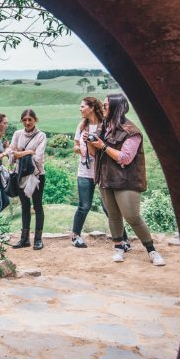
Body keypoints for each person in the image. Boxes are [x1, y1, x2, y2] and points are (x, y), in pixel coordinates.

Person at [87, 93, 166, 266]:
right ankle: (119, 247)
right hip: (106, 178)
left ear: (116, 107)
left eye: (106, 105)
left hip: (126, 180)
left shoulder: (131, 131)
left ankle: (152, 250)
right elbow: (94, 155)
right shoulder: (103, 126)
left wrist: (103, 146)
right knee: (113, 216)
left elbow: (125, 158)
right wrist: (89, 142)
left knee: (132, 217)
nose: (103, 108)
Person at [10, 109, 47, 249]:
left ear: (35, 120)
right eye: (24, 120)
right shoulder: (17, 134)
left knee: (37, 206)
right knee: (25, 206)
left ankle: (38, 239)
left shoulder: (41, 136)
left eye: (29, 120)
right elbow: (11, 155)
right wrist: (28, 152)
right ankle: (24, 239)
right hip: (20, 175)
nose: (27, 122)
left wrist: (19, 154)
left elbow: (38, 157)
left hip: (36, 175)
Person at [70, 96, 104, 247]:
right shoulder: (82, 126)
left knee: (109, 208)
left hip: (102, 171)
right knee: (84, 205)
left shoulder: (104, 126)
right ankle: (75, 236)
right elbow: (75, 147)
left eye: (82, 106)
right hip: (84, 171)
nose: (80, 109)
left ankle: (121, 238)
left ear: (91, 107)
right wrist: (82, 149)